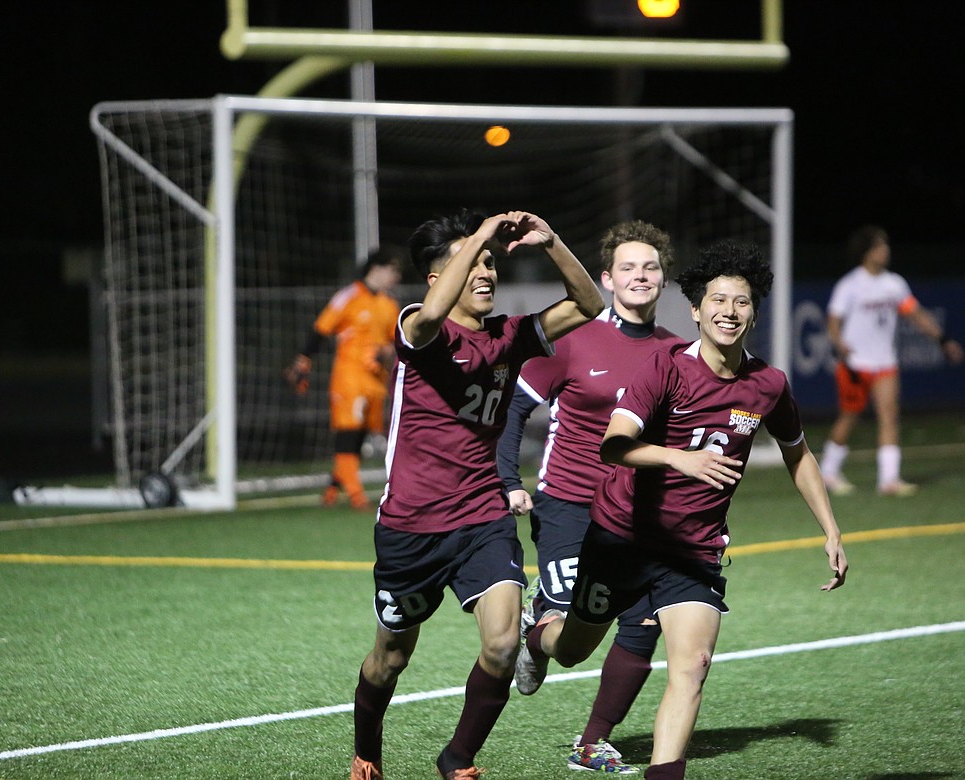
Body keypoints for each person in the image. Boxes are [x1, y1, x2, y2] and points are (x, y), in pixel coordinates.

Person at [514, 240, 849, 780]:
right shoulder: (663, 367)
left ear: (754, 313)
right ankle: (537, 632)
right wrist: (681, 460)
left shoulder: (768, 384)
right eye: (717, 300)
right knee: (573, 648)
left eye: (741, 303)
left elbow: (799, 454)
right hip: (621, 536)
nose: (728, 312)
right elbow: (614, 445)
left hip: (693, 551)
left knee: (691, 666)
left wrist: (831, 530)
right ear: (695, 310)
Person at [350, 209, 603, 780]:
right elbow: (433, 311)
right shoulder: (419, 325)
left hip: (483, 517)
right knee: (391, 657)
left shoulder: (510, 335)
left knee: (503, 643)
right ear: (439, 278)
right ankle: (367, 750)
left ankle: (457, 759)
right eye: (475, 263)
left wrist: (552, 241)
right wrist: (482, 234)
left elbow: (588, 305)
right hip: (411, 527)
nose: (487, 271)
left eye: (492, 262)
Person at [495, 219, 682, 774]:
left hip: (638, 515)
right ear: (608, 277)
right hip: (569, 507)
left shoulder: (677, 353)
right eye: (628, 267)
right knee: (573, 645)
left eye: (650, 267)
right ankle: (537, 634)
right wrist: (509, 482)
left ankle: (592, 741)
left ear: (662, 279)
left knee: (646, 620)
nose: (640, 275)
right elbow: (512, 409)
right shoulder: (573, 338)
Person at [818, 225, 965, 497]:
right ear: (867, 252)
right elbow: (833, 320)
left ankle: (889, 480)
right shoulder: (850, 284)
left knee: (889, 416)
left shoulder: (894, 284)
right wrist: (840, 344)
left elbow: (916, 314)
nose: (885, 251)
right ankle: (827, 472)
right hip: (855, 363)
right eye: (880, 247)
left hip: (885, 362)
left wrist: (943, 340)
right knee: (850, 416)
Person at [286, 246, 404, 510]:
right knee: (348, 435)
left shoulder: (389, 304)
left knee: (359, 437)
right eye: (393, 271)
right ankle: (356, 496)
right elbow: (320, 329)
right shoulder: (348, 296)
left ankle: (331, 490)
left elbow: (394, 342)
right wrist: (303, 359)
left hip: (375, 381)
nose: (396, 277)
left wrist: (386, 350)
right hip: (349, 378)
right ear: (377, 269)